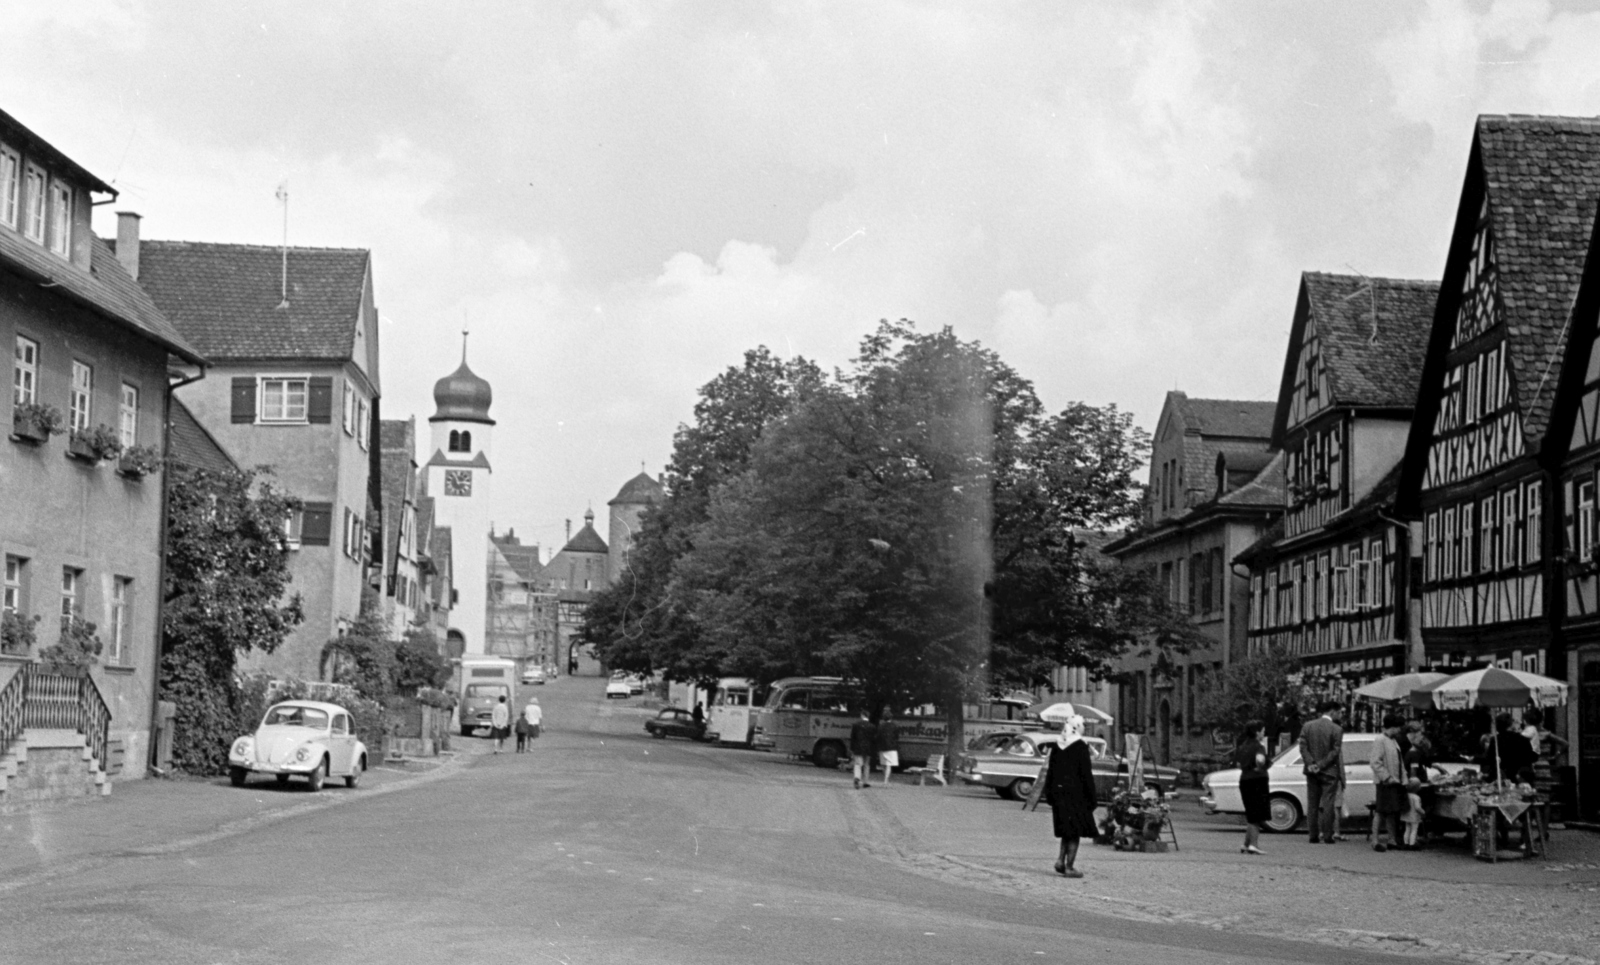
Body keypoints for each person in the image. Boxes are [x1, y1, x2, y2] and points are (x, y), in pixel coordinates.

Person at [1040, 715, 1099, 878]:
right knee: (1074, 832)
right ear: (1078, 726)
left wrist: (1049, 793)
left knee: (1067, 830)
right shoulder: (1080, 746)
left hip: (1059, 794)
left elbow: (1050, 771)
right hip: (1076, 795)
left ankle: (1060, 860)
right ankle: (1069, 867)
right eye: (1083, 725)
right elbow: (1086, 774)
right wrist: (1092, 798)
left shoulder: (1057, 745)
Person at [1298, 701, 1343, 844]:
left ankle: (1313, 835)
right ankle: (1328, 835)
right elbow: (1335, 751)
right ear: (1332, 712)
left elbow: (1303, 747)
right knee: (1328, 803)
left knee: (1312, 803)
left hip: (1311, 771)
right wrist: (1321, 765)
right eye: (1339, 712)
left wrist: (1311, 764)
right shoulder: (1337, 729)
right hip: (1329, 771)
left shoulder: (1307, 726)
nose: (1340, 715)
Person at [1370, 714, 1406, 852]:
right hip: (1385, 782)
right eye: (1399, 727)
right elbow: (1375, 762)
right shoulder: (1381, 740)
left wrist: (1403, 779)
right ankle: (1375, 840)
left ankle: (1392, 839)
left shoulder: (1392, 740)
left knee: (1392, 811)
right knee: (1381, 811)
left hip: (1394, 782)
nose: (1400, 730)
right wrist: (1387, 777)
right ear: (1394, 727)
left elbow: (1398, 762)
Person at [1235, 721, 1270, 855]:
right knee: (1257, 814)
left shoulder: (1242, 746)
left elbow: (1238, 764)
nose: (1263, 733)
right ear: (1257, 732)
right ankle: (1253, 845)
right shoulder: (1258, 747)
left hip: (1244, 780)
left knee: (1250, 812)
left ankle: (1246, 843)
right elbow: (1260, 760)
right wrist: (1260, 767)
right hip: (1257, 780)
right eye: (1262, 731)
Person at [1480, 711, 1536, 785]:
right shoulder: (1523, 740)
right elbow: (1530, 758)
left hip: (1500, 779)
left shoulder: (1495, 740)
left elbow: (1490, 759)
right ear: (1511, 724)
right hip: (1519, 779)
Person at [848, 708, 878, 790]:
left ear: (862, 715)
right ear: (868, 716)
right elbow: (874, 739)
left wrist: (852, 749)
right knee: (866, 765)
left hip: (858, 748)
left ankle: (857, 778)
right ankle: (866, 782)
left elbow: (852, 738)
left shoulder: (856, 725)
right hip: (868, 749)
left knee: (858, 764)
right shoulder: (872, 726)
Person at [876, 714, 900, 787]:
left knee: (884, 764)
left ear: (884, 718)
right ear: (891, 718)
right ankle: (886, 780)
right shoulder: (895, 726)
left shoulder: (880, 726)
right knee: (889, 765)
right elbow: (897, 737)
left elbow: (878, 736)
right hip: (891, 748)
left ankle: (885, 779)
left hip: (882, 747)